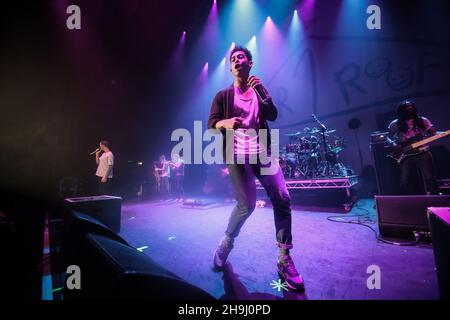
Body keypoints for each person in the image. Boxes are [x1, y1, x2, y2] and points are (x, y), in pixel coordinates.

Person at [207, 46, 304, 291]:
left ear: (250, 63)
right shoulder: (223, 95)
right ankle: (226, 242)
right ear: (230, 67)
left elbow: (272, 115)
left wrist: (263, 92)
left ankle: (284, 258)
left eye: (241, 57)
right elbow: (211, 125)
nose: (237, 60)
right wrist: (224, 122)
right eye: (233, 59)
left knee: (282, 196)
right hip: (237, 155)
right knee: (247, 205)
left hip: (263, 153)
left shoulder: (259, 91)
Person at [388, 100, 439, 195]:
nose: (410, 108)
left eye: (411, 106)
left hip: (422, 152)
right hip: (405, 154)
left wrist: (445, 134)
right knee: (405, 181)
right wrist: (393, 144)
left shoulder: (423, 120)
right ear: (401, 110)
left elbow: (434, 133)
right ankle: (407, 202)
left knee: (429, 178)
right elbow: (388, 137)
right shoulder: (395, 123)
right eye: (407, 107)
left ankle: (436, 200)